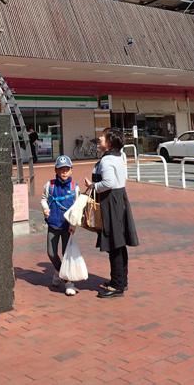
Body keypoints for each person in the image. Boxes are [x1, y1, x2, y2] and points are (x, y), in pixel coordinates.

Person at [84, 127, 139, 298]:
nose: (99, 139)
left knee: (114, 244)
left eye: (102, 137)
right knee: (119, 243)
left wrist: (93, 186)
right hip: (119, 199)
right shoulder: (118, 157)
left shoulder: (107, 161)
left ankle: (117, 286)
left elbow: (108, 182)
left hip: (110, 201)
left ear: (109, 142)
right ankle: (121, 280)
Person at [41, 155, 80, 296]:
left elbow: (77, 208)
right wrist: (45, 208)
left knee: (66, 255)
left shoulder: (74, 187)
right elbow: (44, 199)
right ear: (55, 170)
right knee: (51, 253)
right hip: (53, 224)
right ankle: (58, 270)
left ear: (71, 170)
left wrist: (74, 224)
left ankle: (69, 283)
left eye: (67, 169)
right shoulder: (49, 185)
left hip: (67, 226)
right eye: (61, 169)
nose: (64, 172)